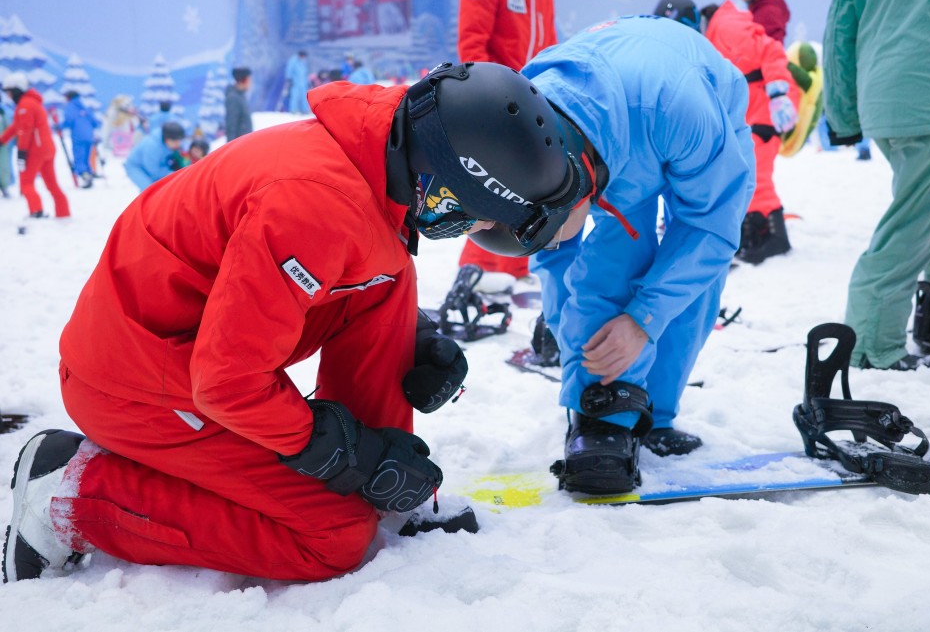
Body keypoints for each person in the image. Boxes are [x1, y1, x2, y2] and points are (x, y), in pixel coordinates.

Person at [3, 62, 592, 582]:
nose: (465, 232)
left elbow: (349, 277)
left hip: (188, 345)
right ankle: (70, 493)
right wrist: (343, 454)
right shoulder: (316, 203)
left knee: (390, 280)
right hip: (135, 381)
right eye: (467, 219)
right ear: (440, 185)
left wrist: (408, 342)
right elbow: (228, 380)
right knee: (330, 538)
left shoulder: (379, 151)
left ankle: (383, 498)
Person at [511, 14, 754, 495]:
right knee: (616, 252)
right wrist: (579, 358)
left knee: (691, 273)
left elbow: (708, 227)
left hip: (680, 109)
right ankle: (606, 415)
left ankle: (654, 412)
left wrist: (643, 318)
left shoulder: (683, 112)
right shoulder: (526, 125)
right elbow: (557, 260)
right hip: (609, 122)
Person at [823, 0, 930, 370]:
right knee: (914, 222)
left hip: (887, 96)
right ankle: (870, 346)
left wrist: (843, 114)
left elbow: (839, 33)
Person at [657, 0, 796, 265]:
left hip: (766, 107)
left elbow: (771, 50)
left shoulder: (727, 27)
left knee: (757, 173)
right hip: (751, 109)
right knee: (747, 173)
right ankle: (754, 232)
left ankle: (774, 238)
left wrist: (779, 91)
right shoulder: (715, 33)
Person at [456, 0, 558, 290]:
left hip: (533, 99)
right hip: (498, 99)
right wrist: (483, 94)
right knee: (493, 185)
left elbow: (548, 43)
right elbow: (472, 41)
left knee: (530, 186)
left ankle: (511, 266)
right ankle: (479, 267)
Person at [0, 72, 71, 219]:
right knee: (52, 184)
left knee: (26, 182)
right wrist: (2, 139)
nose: (8, 96)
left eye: (9, 92)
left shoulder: (25, 105)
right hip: (47, 149)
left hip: (35, 150)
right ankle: (63, 212)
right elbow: (17, 126)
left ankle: (36, 211)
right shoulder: (31, 103)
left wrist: (22, 152)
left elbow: (24, 129)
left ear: (16, 90)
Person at [123, 121, 186, 192]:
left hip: (155, 166)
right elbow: (154, 171)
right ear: (167, 140)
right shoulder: (152, 146)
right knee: (149, 190)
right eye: (176, 142)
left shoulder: (170, 142)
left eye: (180, 141)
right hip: (136, 167)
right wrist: (172, 173)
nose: (179, 145)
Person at [59, 90, 99, 188]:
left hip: (78, 137)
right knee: (86, 158)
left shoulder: (70, 107)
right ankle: (89, 174)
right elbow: (95, 123)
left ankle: (86, 177)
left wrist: (58, 126)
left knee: (79, 159)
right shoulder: (85, 107)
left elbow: (69, 121)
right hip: (89, 137)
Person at [224, 66, 253, 142]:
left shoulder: (241, 96)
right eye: (249, 80)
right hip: (238, 144)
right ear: (242, 80)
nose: (250, 83)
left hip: (244, 142)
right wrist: (231, 147)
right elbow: (231, 125)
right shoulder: (233, 98)